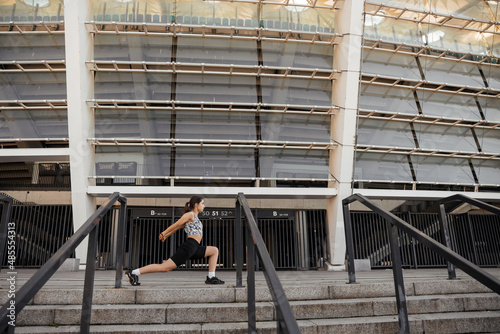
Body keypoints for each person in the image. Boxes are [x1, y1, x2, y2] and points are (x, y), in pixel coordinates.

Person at [125, 196, 225, 285]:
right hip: (189, 247)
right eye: (202, 203)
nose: (204, 206)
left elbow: (178, 228)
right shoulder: (190, 215)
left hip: (194, 247)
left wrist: (166, 236)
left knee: (214, 250)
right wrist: (164, 233)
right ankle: (133, 272)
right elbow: (176, 224)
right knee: (164, 268)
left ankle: (211, 277)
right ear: (196, 204)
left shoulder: (195, 217)